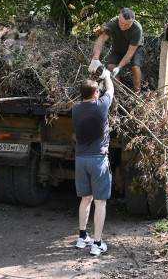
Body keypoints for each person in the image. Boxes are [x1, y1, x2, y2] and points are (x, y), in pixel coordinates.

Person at [71, 68, 114, 256]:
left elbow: (93, 98)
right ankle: (97, 243)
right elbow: (110, 92)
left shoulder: (75, 109)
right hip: (98, 160)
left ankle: (82, 237)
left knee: (85, 198)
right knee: (100, 202)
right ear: (96, 93)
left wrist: (98, 86)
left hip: (80, 159)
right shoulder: (101, 106)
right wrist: (107, 77)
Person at [88, 8, 144, 92]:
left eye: (126, 24)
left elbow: (129, 53)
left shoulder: (137, 29)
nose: (123, 26)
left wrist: (119, 67)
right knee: (111, 66)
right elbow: (101, 40)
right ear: (119, 17)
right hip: (118, 47)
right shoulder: (112, 23)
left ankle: (137, 91)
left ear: (132, 22)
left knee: (135, 67)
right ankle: (119, 90)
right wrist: (95, 58)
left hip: (135, 49)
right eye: (121, 22)